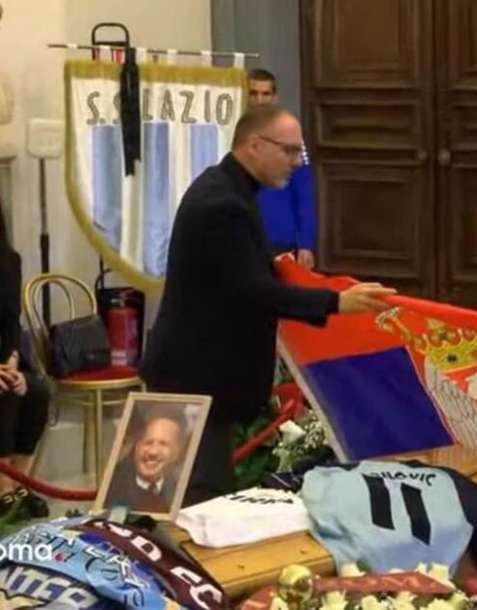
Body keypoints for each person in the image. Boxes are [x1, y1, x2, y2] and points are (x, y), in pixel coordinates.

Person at [139, 104, 395, 506]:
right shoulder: (222, 204)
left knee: (198, 498)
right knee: (197, 504)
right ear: (255, 145)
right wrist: (336, 302)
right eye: (289, 151)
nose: (297, 162)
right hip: (195, 381)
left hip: (201, 378)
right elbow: (253, 291)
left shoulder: (228, 190)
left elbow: (237, 273)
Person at [0, 211, 50, 519]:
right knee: (4, 394)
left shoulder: (9, 260)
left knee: (36, 392)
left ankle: (20, 486)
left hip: (3, 358)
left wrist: (12, 361)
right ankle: (3, 490)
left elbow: (11, 323)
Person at [249, 68, 318, 267]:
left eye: (265, 94)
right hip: (246, 237)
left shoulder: (290, 136)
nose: (260, 100)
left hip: (282, 240)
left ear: (275, 97)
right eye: (254, 93)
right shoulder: (235, 134)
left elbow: (304, 191)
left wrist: (306, 243)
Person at [103, 412, 185, 514]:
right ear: (136, 447)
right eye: (148, 442)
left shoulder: (179, 491)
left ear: (176, 452)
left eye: (163, 444)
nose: (153, 452)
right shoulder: (113, 488)